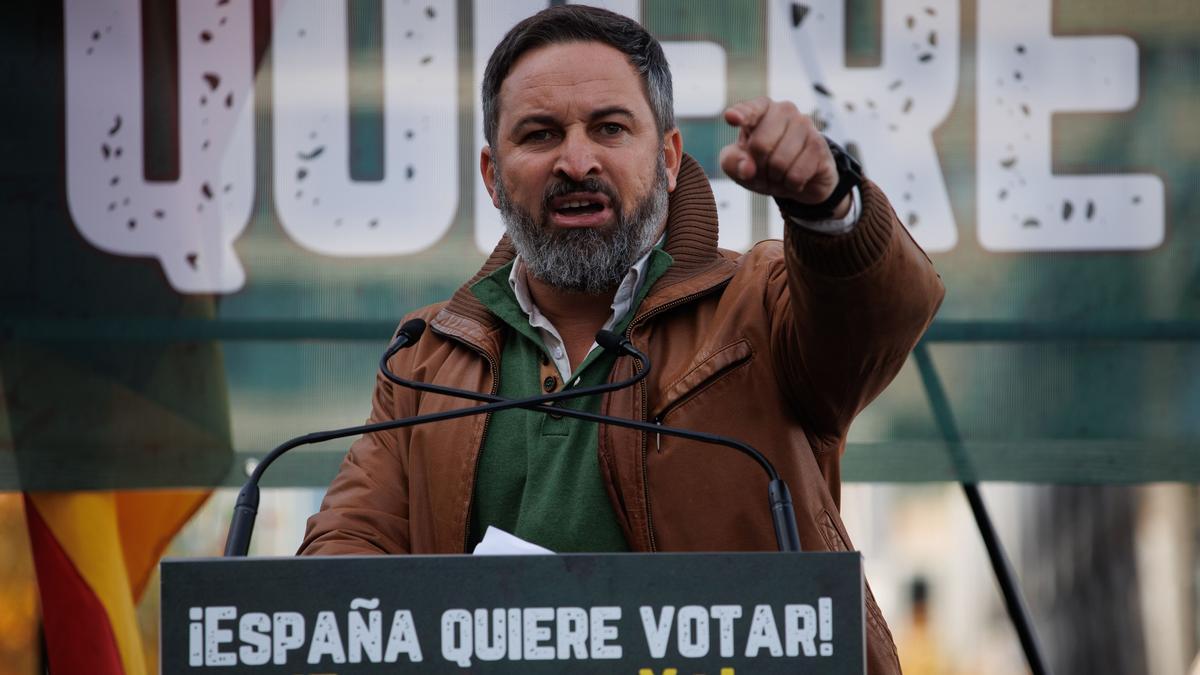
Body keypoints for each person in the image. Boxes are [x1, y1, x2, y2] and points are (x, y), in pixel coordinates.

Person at [299, 5, 943, 672]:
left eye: (609, 128)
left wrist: (827, 201)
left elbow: (879, 314)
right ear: (493, 176)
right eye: (540, 135)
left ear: (666, 159)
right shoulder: (425, 358)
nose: (577, 162)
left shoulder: (760, 304)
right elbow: (343, 559)